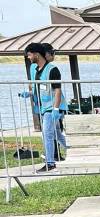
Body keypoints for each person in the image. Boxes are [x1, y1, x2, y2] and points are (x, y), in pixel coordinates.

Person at [26, 42, 67, 173]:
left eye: (29, 55)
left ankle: (50, 163)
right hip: (44, 108)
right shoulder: (36, 70)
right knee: (58, 134)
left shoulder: (52, 70)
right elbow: (39, 88)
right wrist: (29, 93)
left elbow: (57, 91)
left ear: (37, 54)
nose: (28, 57)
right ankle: (76, 151)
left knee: (47, 134)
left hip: (52, 108)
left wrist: (56, 109)